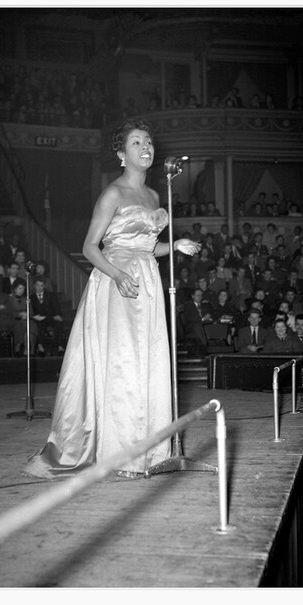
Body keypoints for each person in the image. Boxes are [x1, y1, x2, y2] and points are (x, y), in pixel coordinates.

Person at [23, 118, 200, 480]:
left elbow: (146, 247)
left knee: (145, 363)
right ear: (121, 154)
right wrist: (118, 275)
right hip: (116, 281)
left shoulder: (154, 196)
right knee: (122, 365)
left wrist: (175, 245)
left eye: (148, 141)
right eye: (136, 142)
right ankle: (121, 454)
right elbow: (90, 247)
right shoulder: (113, 194)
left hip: (147, 282)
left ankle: (149, 451)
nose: (145, 147)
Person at [30, 276, 65, 356]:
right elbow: (33, 313)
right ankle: (40, 346)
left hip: (51, 318)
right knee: (39, 325)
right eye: (38, 285)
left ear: (44, 286)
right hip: (39, 319)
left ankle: (60, 346)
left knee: (58, 323)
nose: (40, 288)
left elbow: (57, 309)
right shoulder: (31, 298)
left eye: (42, 285)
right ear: (34, 285)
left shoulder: (51, 295)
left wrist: (55, 316)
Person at [8, 280, 37, 356]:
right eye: (20, 288)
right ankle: (19, 346)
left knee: (31, 325)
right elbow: (8, 312)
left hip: (26, 319)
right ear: (15, 289)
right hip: (14, 320)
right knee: (23, 325)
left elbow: (31, 312)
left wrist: (27, 315)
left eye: (23, 289)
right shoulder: (9, 299)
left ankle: (31, 349)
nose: (22, 291)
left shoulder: (26, 299)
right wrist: (19, 314)